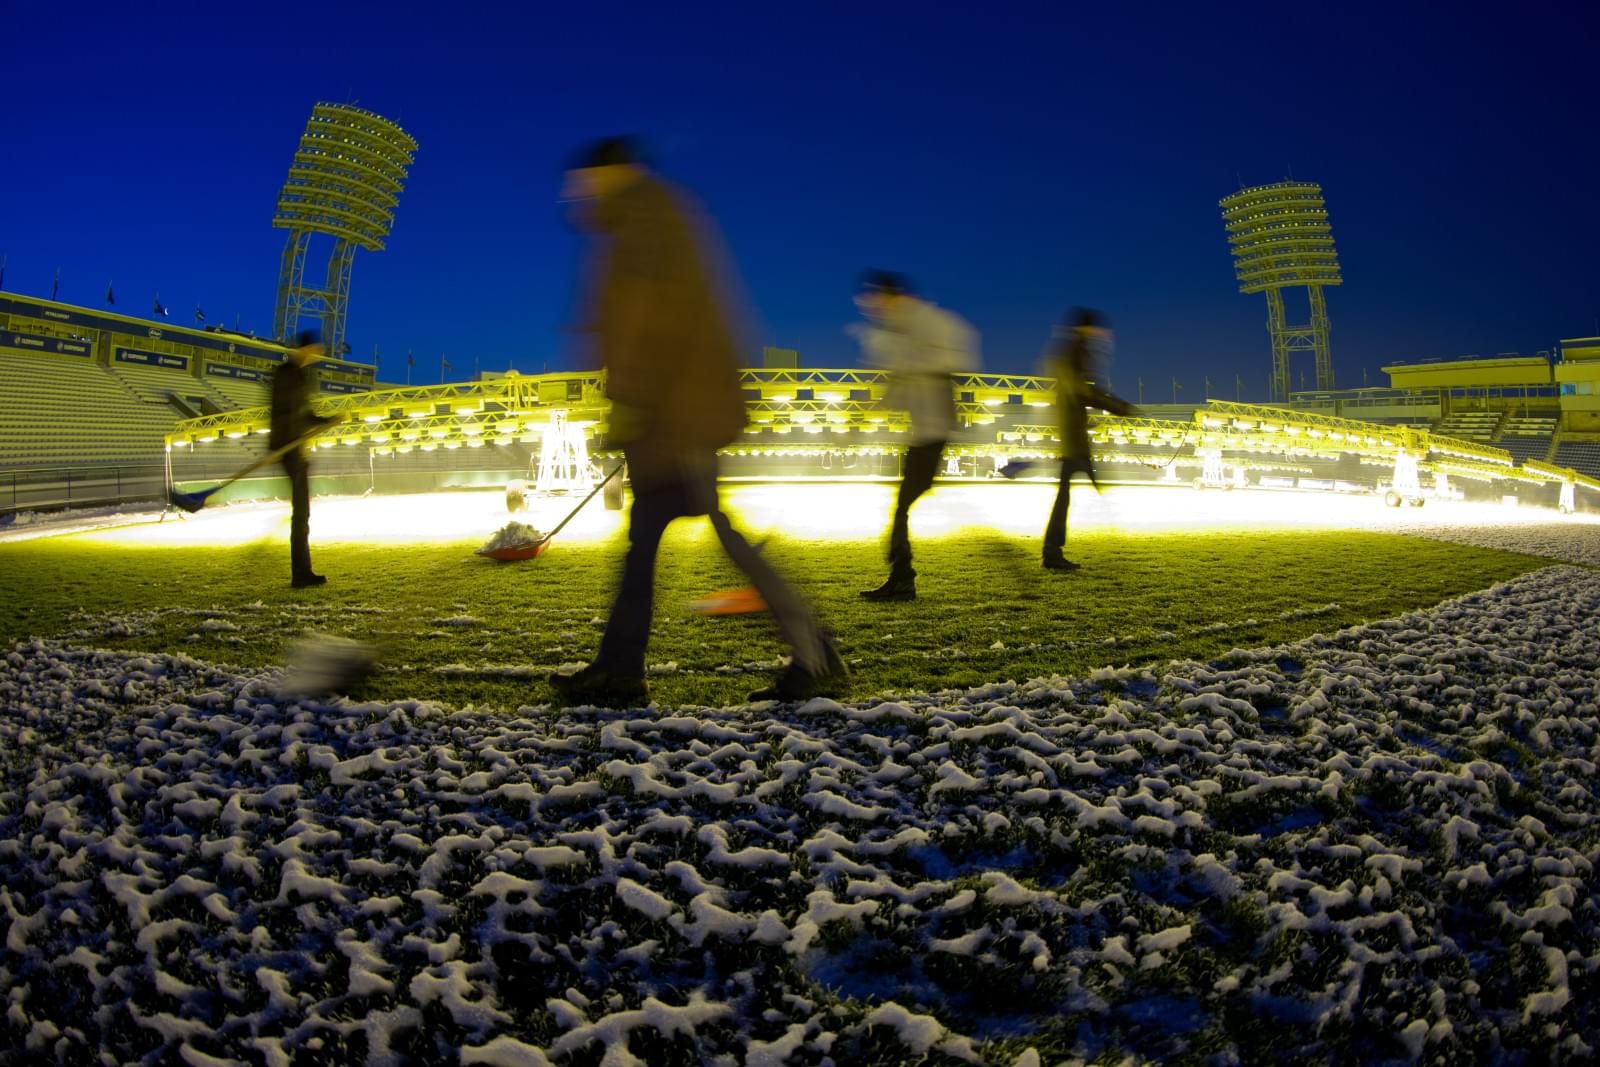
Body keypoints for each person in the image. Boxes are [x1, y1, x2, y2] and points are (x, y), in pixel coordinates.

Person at [550, 136, 846, 707]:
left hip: (677, 413)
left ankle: (816, 653)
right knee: (644, 545)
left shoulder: (645, 214)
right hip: (671, 410)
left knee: (723, 538)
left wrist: (633, 398)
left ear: (614, 173)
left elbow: (649, 314)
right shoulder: (645, 214)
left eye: (584, 178)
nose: (576, 191)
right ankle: (618, 669)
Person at [852, 271, 979, 600]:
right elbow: (897, 384)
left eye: (874, 300)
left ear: (889, 295)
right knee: (903, 505)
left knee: (902, 507)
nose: (872, 308)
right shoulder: (900, 329)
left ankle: (902, 578)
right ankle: (901, 576)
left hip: (933, 429)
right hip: (922, 432)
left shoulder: (927, 321)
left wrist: (912, 365)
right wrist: (869, 412)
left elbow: (957, 351)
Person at [1040, 308, 1134, 570]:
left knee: (1066, 495)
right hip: (1072, 436)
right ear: (1088, 329)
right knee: (1068, 495)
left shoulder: (1069, 349)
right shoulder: (1075, 351)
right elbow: (1082, 390)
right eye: (1098, 329)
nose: (1103, 334)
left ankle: (1052, 552)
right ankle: (1052, 552)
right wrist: (1118, 406)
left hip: (1071, 433)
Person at [270, 329, 337, 588]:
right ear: (306, 349)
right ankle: (301, 574)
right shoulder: (285, 374)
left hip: (295, 449)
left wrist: (326, 421)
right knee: (301, 514)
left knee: (302, 513)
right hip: (288, 449)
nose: (317, 355)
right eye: (315, 350)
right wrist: (282, 445)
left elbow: (304, 414)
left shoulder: (300, 376)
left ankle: (302, 572)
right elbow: (280, 412)